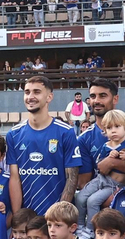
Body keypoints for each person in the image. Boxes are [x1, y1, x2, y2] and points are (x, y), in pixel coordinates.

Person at [7, 75, 81, 216]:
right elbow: (15, 178)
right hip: (27, 216)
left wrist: (58, 215)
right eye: (27, 92)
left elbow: (71, 179)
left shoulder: (66, 132)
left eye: (37, 92)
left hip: (55, 217)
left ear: (49, 97)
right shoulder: (14, 134)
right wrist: (18, 218)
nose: (30, 97)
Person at [75, 110, 125, 223]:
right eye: (109, 128)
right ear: (104, 131)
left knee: (92, 201)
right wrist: (109, 158)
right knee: (79, 198)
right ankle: (79, 226)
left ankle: (90, 229)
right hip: (101, 179)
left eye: (117, 126)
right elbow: (100, 164)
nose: (113, 131)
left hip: (114, 184)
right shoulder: (105, 146)